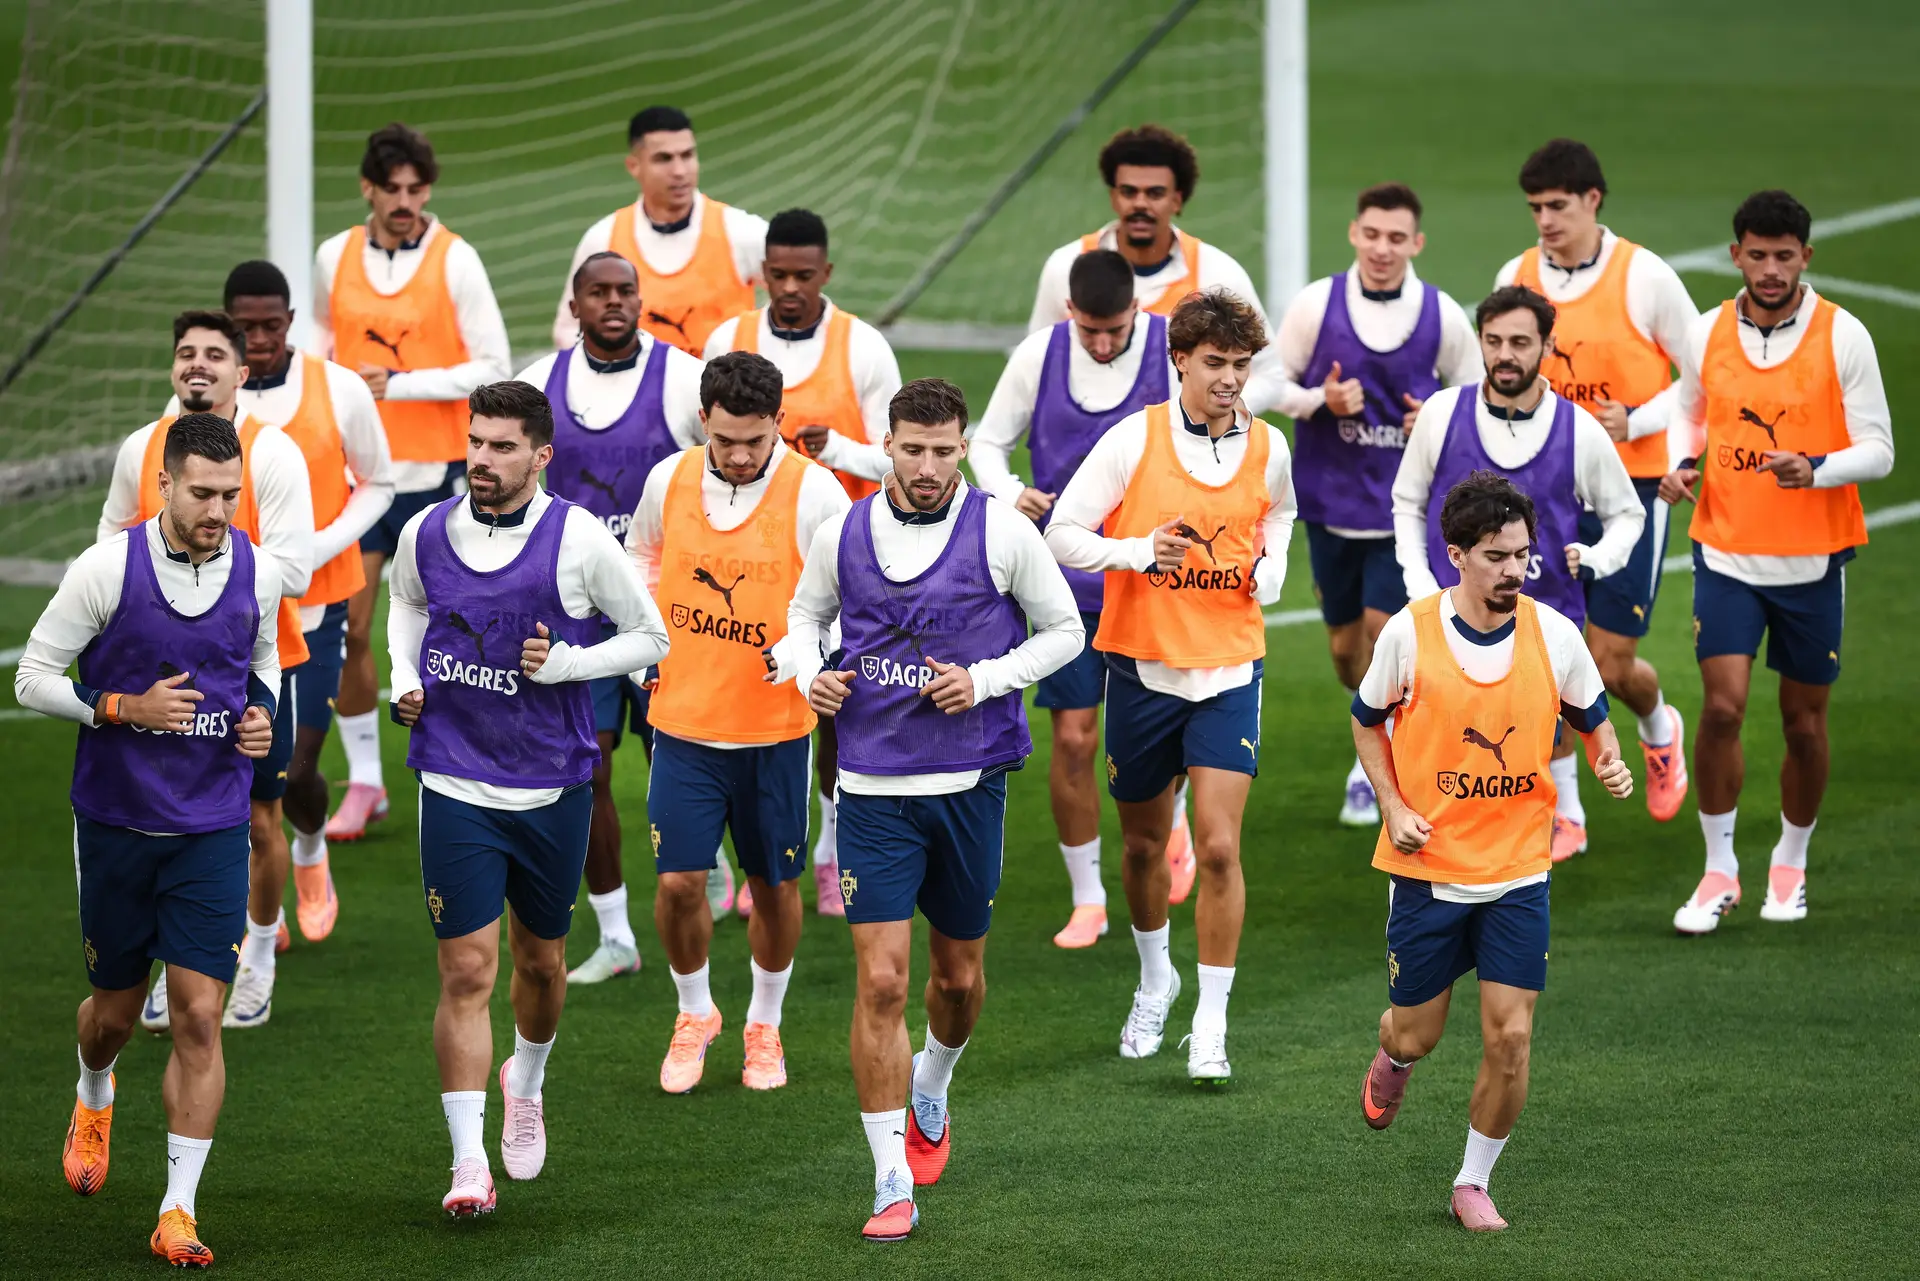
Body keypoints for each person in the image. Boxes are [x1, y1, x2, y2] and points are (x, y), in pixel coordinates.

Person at [787, 379, 1081, 1241]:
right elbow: (804, 618)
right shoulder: (841, 531)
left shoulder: (1002, 530)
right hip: (872, 786)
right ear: (887, 444)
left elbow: (1064, 631)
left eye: (942, 450)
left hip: (969, 784)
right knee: (880, 981)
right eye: (911, 449)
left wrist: (983, 680)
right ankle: (888, 1180)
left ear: (964, 448)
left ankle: (934, 1081)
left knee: (954, 980)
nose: (925, 466)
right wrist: (813, 674)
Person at [386, 382, 669, 1215]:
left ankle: (528, 1077)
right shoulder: (426, 530)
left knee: (541, 963)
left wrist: (567, 665)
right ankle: (467, 1161)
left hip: (552, 784)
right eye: (476, 441)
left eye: (503, 445)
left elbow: (650, 636)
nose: (481, 458)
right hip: (453, 778)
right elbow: (406, 604)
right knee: (467, 968)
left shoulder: (579, 540)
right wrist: (406, 676)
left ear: (542, 455)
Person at [17, 412, 281, 1267]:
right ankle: (95, 1091)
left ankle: (177, 1209)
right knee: (115, 1014)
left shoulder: (259, 571)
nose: (217, 509)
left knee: (200, 1014)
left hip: (210, 824)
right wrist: (120, 706)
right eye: (202, 493)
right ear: (163, 484)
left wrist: (262, 716)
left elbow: (265, 662)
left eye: (230, 495)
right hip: (117, 824)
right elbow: (33, 676)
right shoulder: (103, 568)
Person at [1352, 470, 1633, 1233]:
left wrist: (1606, 756)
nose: (1514, 569)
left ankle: (1472, 1181)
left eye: (1521, 554)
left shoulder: (1556, 634)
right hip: (1429, 871)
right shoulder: (1410, 633)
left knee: (1511, 1036)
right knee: (1417, 1030)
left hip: (1518, 872)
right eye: (1496, 555)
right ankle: (1396, 1059)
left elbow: (1591, 715)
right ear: (1456, 556)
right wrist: (1393, 804)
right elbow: (1367, 721)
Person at [1044, 289, 1296, 1084]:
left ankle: (1211, 1020)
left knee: (1219, 847)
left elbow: (1280, 516)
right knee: (1147, 845)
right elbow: (1061, 533)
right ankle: (1157, 976)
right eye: (1214, 363)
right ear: (1179, 359)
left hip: (1228, 670)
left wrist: (1275, 566)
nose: (1229, 379)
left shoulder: (1270, 448)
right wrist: (1136, 552)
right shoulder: (1133, 439)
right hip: (1143, 673)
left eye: (1241, 365)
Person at [1663, 190, 1893, 934]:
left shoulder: (1843, 335)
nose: (1768, 269)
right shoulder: (1705, 332)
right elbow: (1687, 408)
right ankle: (1719, 868)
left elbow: (1880, 449)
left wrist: (1818, 468)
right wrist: (1680, 461)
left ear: (1805, 257)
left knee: (1802, 723)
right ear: (1736, 255)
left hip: (1814, 561)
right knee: (1723, 707)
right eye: (1755, 254)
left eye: (1783, 255)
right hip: (1726, 550)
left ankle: (1789, 862)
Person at [627, 352, 851, 1091]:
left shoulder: (815, 494)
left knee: (775, 885)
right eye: (726, 439)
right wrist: (643, 649)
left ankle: (765, 1022)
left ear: (778, 425)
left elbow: (850, 596)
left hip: (776, 735)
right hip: (685, 726)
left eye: (755, 439)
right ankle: (695, 1013)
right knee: (680, 885)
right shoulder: (670, 479)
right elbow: (643, 559)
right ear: (704, 423)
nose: (741, 454)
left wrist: (807, 647)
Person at [161, 262, 395, 960]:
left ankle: (311, 845)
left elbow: (378, 483)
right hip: (214, 616)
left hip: (313, 607)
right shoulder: (188, 411)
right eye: (246, 326)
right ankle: (252, 908)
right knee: (218, 766)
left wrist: (316, 547)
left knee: (291, 766)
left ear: (292, 321)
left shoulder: (339, 388)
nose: (259, 338)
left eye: (271, 324)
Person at [973, 247, 1199, 948]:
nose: (1101, 344)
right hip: (1064, 582)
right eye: (1089, 330)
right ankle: (1087, 897)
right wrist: (1011, 492)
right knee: (1073, 738)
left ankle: (1176, 821)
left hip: (1157, 580)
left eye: (1115, 329)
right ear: (1070, 313)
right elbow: (985, 442)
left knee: (1170, 737)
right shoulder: (1040, 356)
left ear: (1138, 310)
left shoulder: (1175, 351)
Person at [98, 311, 314, 1033]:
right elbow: (112, 534)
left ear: (240, 371)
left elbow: (296, 565)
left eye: (214, 354)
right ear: (172, 368)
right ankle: (175, 963)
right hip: (155, 668)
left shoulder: (274, 453)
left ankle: (257, 956)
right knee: (161, 818)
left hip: (248, 661)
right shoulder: (142, 447)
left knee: (257, 818)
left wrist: (210, 577)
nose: (199, 364)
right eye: (186, 352)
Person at [1390, 286, 1644, 861]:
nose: (1505, 355)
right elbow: (1406, 502)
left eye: (1521, 343)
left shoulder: (1578, 429)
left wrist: (1598, 558)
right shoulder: (1441, 413)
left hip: (1545, 606)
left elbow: (1628, 513)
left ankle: (1563, 815)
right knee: (1450, 729)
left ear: (1548, 346)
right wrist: (1417, 582)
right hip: (1446, 609)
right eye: (1494, 341)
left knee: (1537, 723)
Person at [1497, 139, 1701, 838]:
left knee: (1610, 663)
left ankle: (1656, 722)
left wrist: (1639, 419)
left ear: (1593, 201)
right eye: (1535, 208)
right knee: (1536, 646)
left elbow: (1705, 379)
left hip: (1632, 489)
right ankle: (1567, 811)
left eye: (1557, 206)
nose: (1545, 220)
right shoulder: (1518, 274)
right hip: (1542, 489)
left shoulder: (1645, 277)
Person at [315, 121, 512, 842]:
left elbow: (494, 364)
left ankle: (470, 762)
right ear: (367, 187)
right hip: (358, 476)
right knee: (354, 629)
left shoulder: (456, 260)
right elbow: (314, 353)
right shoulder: (333, 256)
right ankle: (366, 780)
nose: (405, 200)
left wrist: (399, 383)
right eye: (392, 188)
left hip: (440, 476)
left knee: (458, 630)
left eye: (417, 188)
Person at [515, 250, 706, 980]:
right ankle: (617, 933)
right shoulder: (539, 382)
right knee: (586, 766)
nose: (614, 302)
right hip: (573, 614)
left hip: (663, 607)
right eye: (599, 291)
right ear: (576, 303)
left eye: (626, 290)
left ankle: (702, 865)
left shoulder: (684, 376)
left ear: (640, 297)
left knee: (676, 760)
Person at [707, 207, 905, 916]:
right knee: (736, 696)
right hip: (740, 554)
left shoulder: (864, 347)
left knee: (829, 708)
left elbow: (902, 455)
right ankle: (746, 860)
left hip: (842, 555)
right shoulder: (727, 338)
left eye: (803, 275)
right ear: (762, 273)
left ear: (827, 273)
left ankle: (826, 850)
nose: (789, 287)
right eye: (778, 274)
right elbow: (696, 438)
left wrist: (838, 451)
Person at [1273, 182, 1480, 827]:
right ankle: (1379, 725)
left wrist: (1438, 416)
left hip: (1406, 514)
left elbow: (1476, 401)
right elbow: (1268, 383)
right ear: (1354, 234)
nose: (1383, 249)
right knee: (1344, 650)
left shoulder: (1442, 315)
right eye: (1372, 234)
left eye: (1397, 238)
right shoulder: (1316, 304)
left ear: (1416, 243)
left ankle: (1378, 761)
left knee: (1378, 629)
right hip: (1332, 508)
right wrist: (1318, 402)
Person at [554, 104, 768, 357]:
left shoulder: (742, 232)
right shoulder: (604, 239)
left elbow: (797, 303)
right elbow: (567, 329)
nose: (679, 171)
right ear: (634, 166)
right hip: (640, 394)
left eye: (687, 155)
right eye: (664, 159)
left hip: (722, 394)